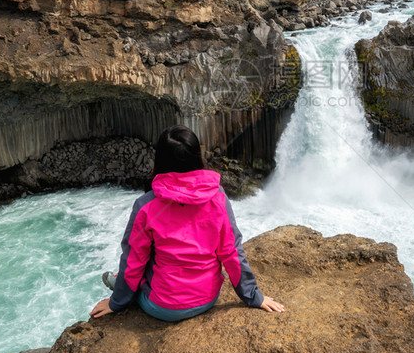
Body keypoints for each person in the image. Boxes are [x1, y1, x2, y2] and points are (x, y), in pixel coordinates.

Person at [90, 125, 284, 322]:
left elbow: (134, 260)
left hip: (161, 306)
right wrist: (253, 296)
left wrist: (116, 302)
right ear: (197, 157)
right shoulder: (218, 197)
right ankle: (124, 285)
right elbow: (232, 252)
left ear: (160, 160)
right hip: (207, 299)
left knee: (143, 255)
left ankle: (121, 287)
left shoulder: (145, 205)